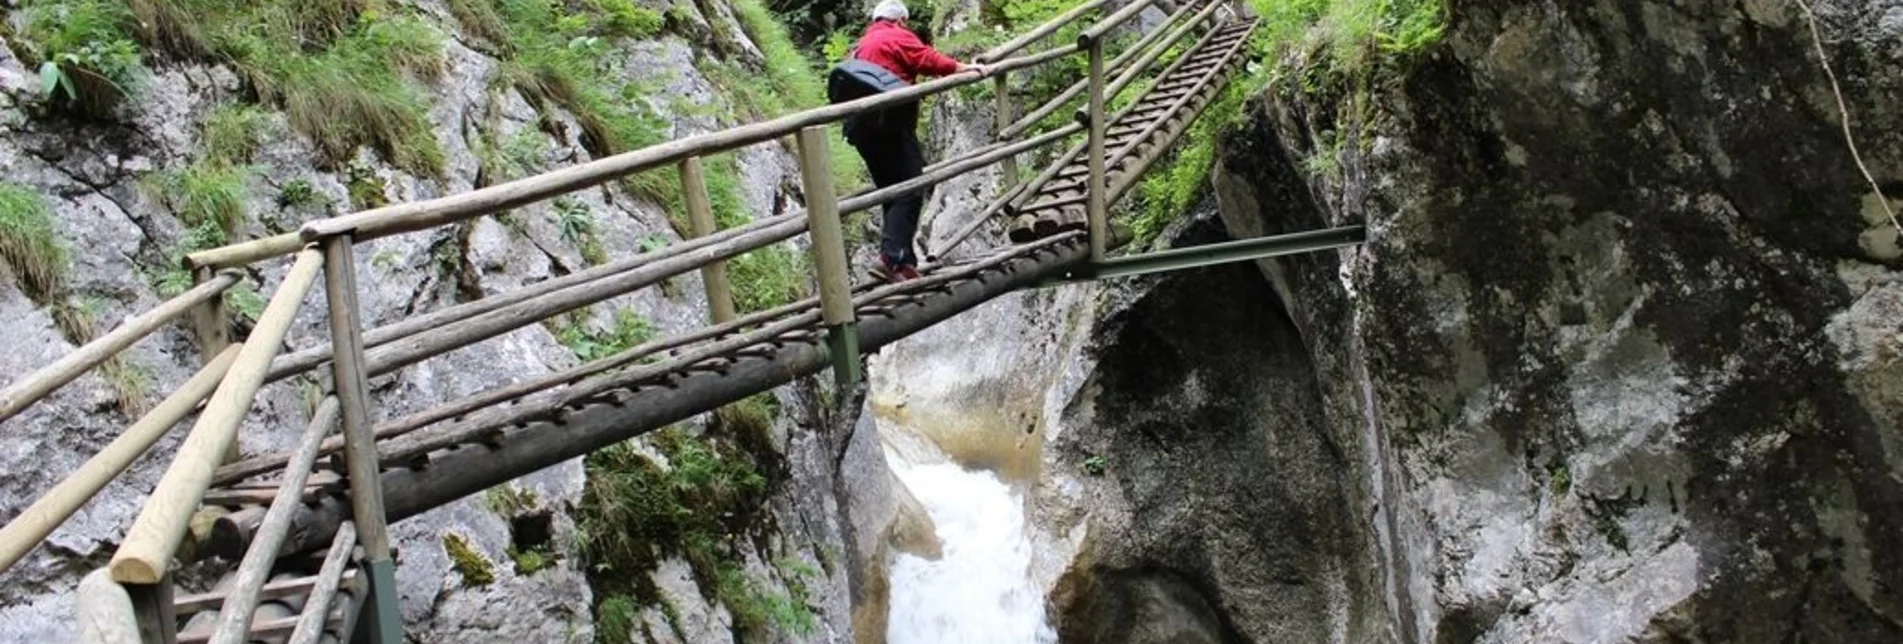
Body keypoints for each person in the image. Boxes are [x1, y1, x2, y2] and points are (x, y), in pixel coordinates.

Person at [839, 0, 988, 281]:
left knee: (892, 192)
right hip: (888, 124)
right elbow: (927, 60)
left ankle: (902, 261)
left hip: (860, 129)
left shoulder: (860, 46)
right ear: (901, 21)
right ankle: (890, 258)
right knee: (911, 188)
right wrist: (965, 68)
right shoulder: (895, 35)